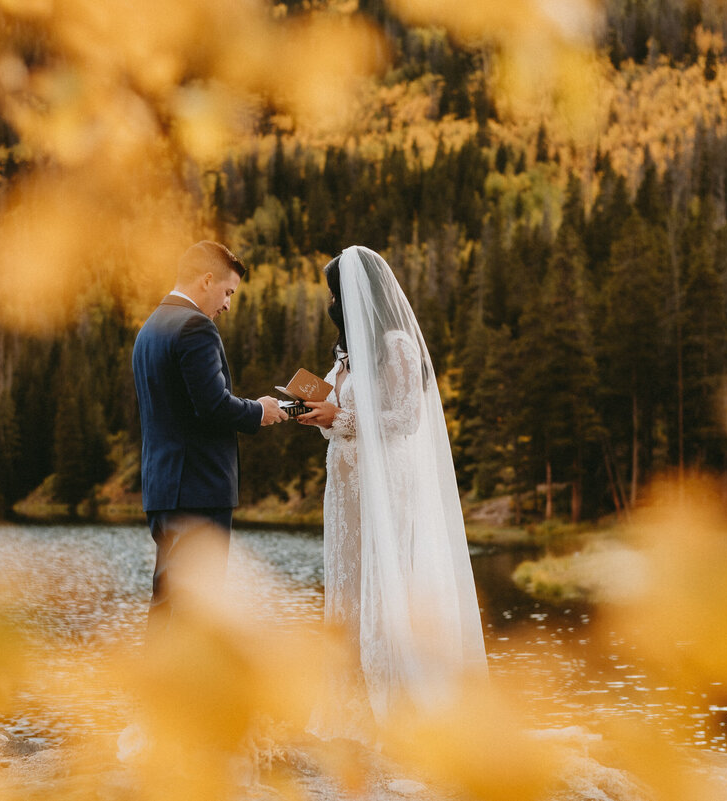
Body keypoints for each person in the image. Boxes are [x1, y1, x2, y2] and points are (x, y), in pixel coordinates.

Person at [297, 245, 487, 737]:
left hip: (385, 479)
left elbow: (406, 418)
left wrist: (342, 417)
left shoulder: (398, 343)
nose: (334, 303)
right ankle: (350, 699)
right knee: (349, 581)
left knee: (386, 577)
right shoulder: (347, 350)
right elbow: (339, 419)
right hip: (344, 480)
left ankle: (399, 703)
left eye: (337, 293)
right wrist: (322, 413)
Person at [132, 240, 288, 640]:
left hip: (163, 489)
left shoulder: (150, 328)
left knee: (167, 603)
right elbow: (213, 406)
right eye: (228, 292)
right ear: (206, 280)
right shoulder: (196, 327)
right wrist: (260, 411)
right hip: (200, 490)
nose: (227, 305)